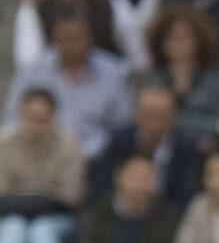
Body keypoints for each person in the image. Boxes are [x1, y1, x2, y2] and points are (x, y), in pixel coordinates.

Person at [0, 89, 87, 243]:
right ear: (20, 115)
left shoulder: (68, 143)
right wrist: (40, 200)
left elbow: (72, 197)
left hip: (58, 219)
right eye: (30, 117)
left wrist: (26, 201)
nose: (35, 125)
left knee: (42, 228)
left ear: (53, 118)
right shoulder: (4, 142)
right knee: (14, 226)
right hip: (14, 217)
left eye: (42, 119)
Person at [6, 14, 131, 160]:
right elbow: (11, 119)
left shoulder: (112, 72)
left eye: (77, 38)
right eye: (65, 38)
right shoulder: (32, 70)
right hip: (36, 156)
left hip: (95, 160)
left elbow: (122, 126)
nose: (71, 45)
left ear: (90, 37)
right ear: (54, 39)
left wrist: (89, 153)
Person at [89, 84, 203, 211]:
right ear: (136, 114)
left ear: (173, 116)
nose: (155, 122)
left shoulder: (187, 146)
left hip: (170, 215)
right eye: (149, 114)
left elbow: (188, 191)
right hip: (122, 212)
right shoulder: (118, 141)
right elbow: (101, 184)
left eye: (161, 115)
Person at [144, 4, 219, 139]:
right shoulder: (153, 78)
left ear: (198, 41)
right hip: (164, 145)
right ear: (161, 42)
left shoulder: (214, 79)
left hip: (206, 144)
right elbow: (146, 118)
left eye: (185, 37)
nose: (179, 44)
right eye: (172, 38)